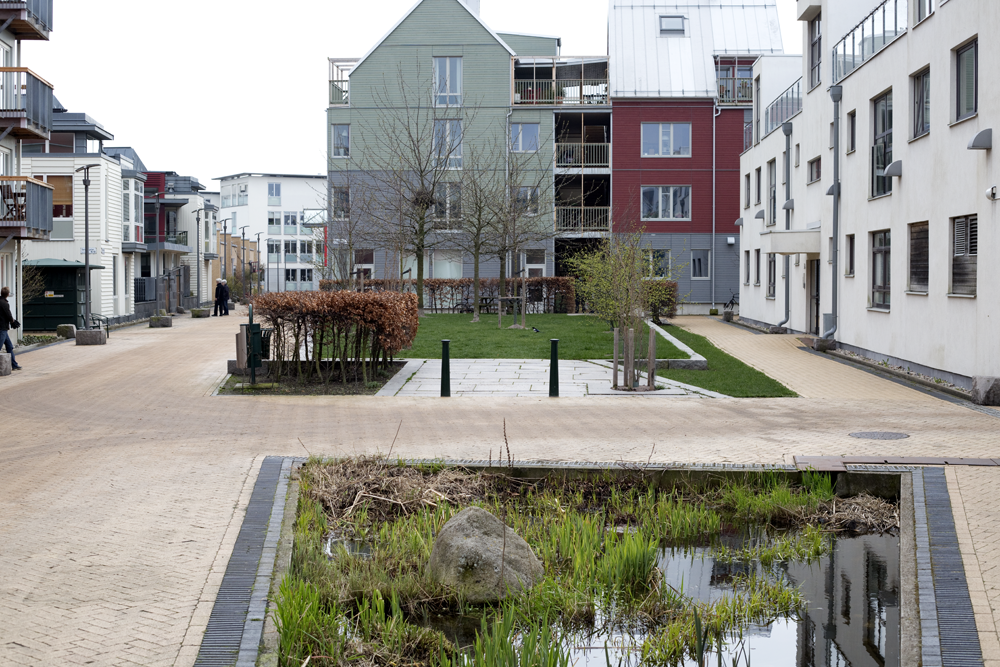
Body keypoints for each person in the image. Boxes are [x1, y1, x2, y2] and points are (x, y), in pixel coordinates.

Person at [0, 286, 22, 370]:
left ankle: (14, 364)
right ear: (8, 294)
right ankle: (14, 365)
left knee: (9, 346)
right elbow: (8, 315)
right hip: (2, 328)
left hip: (3, 329)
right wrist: (13, 321)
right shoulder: (4, 303)